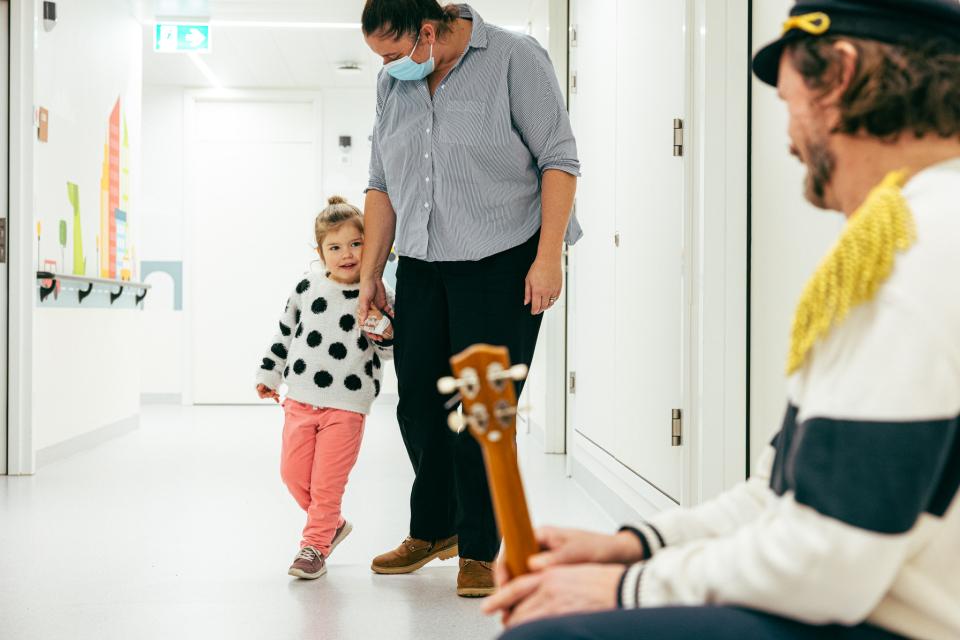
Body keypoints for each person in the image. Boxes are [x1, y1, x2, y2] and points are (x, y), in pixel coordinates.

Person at [483, 0, 960, 637]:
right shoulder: (906, 236)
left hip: (892, 622)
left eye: (791, 102)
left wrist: (625, 588)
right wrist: (636, 546)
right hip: (863, 596)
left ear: (841, 75)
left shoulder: (914, 253)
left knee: (551, 632)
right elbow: (780, 494)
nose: (790, 139)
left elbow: (827, 567)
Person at [357, 1, 581, 597]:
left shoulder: (513, 57)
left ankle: (479, 547)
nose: (385, 67)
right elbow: (382, 182)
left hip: (503, 257)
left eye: (390, 53)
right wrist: (373, 271)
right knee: (420, 406)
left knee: (480, 410)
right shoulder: (393, 84)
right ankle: (434, 530)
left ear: (427, 31)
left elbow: (559, 159)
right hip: (424, 262)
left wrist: (548, 256)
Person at [255, 196, 394, 580]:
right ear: (320, 253)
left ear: (370, 245)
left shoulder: (376, 293)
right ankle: (331, 525)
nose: (346, 254)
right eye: (334, 247)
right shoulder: (306, 288)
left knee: (327, 484)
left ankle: (313, 546)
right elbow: (284, 333)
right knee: (293, 475)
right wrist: (269, 374)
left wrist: (382, 330)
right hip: (299, 398)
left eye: (355, 244)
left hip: (347, 404)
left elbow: (388, 351)